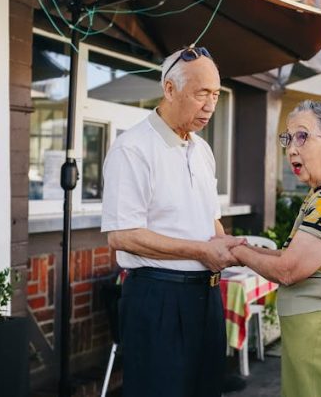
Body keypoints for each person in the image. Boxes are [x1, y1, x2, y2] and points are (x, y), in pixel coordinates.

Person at [101, 46, 245, 397]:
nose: (210, 105)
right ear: (169, 89)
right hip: (158, 297)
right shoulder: (132, 148)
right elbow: (122, 236)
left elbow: (211, 223)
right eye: (201, 94)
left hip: (206, 296)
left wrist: (228, 246)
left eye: (214, 94)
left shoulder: (203, 150)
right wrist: (201, 251)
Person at [229, 100, 321, 397]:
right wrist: (241, 246)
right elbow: (289, 256)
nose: (291, 148)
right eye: (288, 138)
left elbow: (288, 270)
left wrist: (235, 253)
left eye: (302, 136)